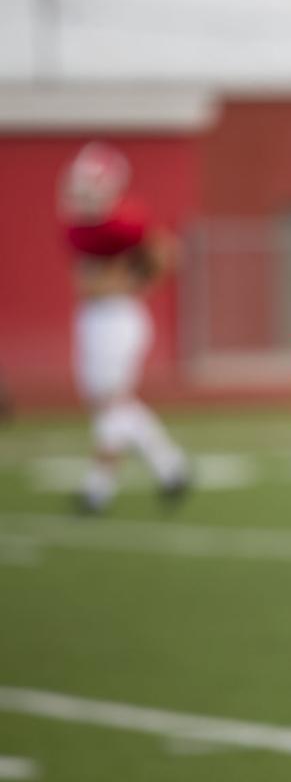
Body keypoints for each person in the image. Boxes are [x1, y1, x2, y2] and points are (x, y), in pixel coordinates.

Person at [60, 141, 190, 514]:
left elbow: (167, 253)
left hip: (118, 316)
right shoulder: (81, 227)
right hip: (92, 317)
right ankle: (171, 467)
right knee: (108, 402)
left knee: (112, 402)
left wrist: (135, 283)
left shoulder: (125, 224)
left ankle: (97, 489)